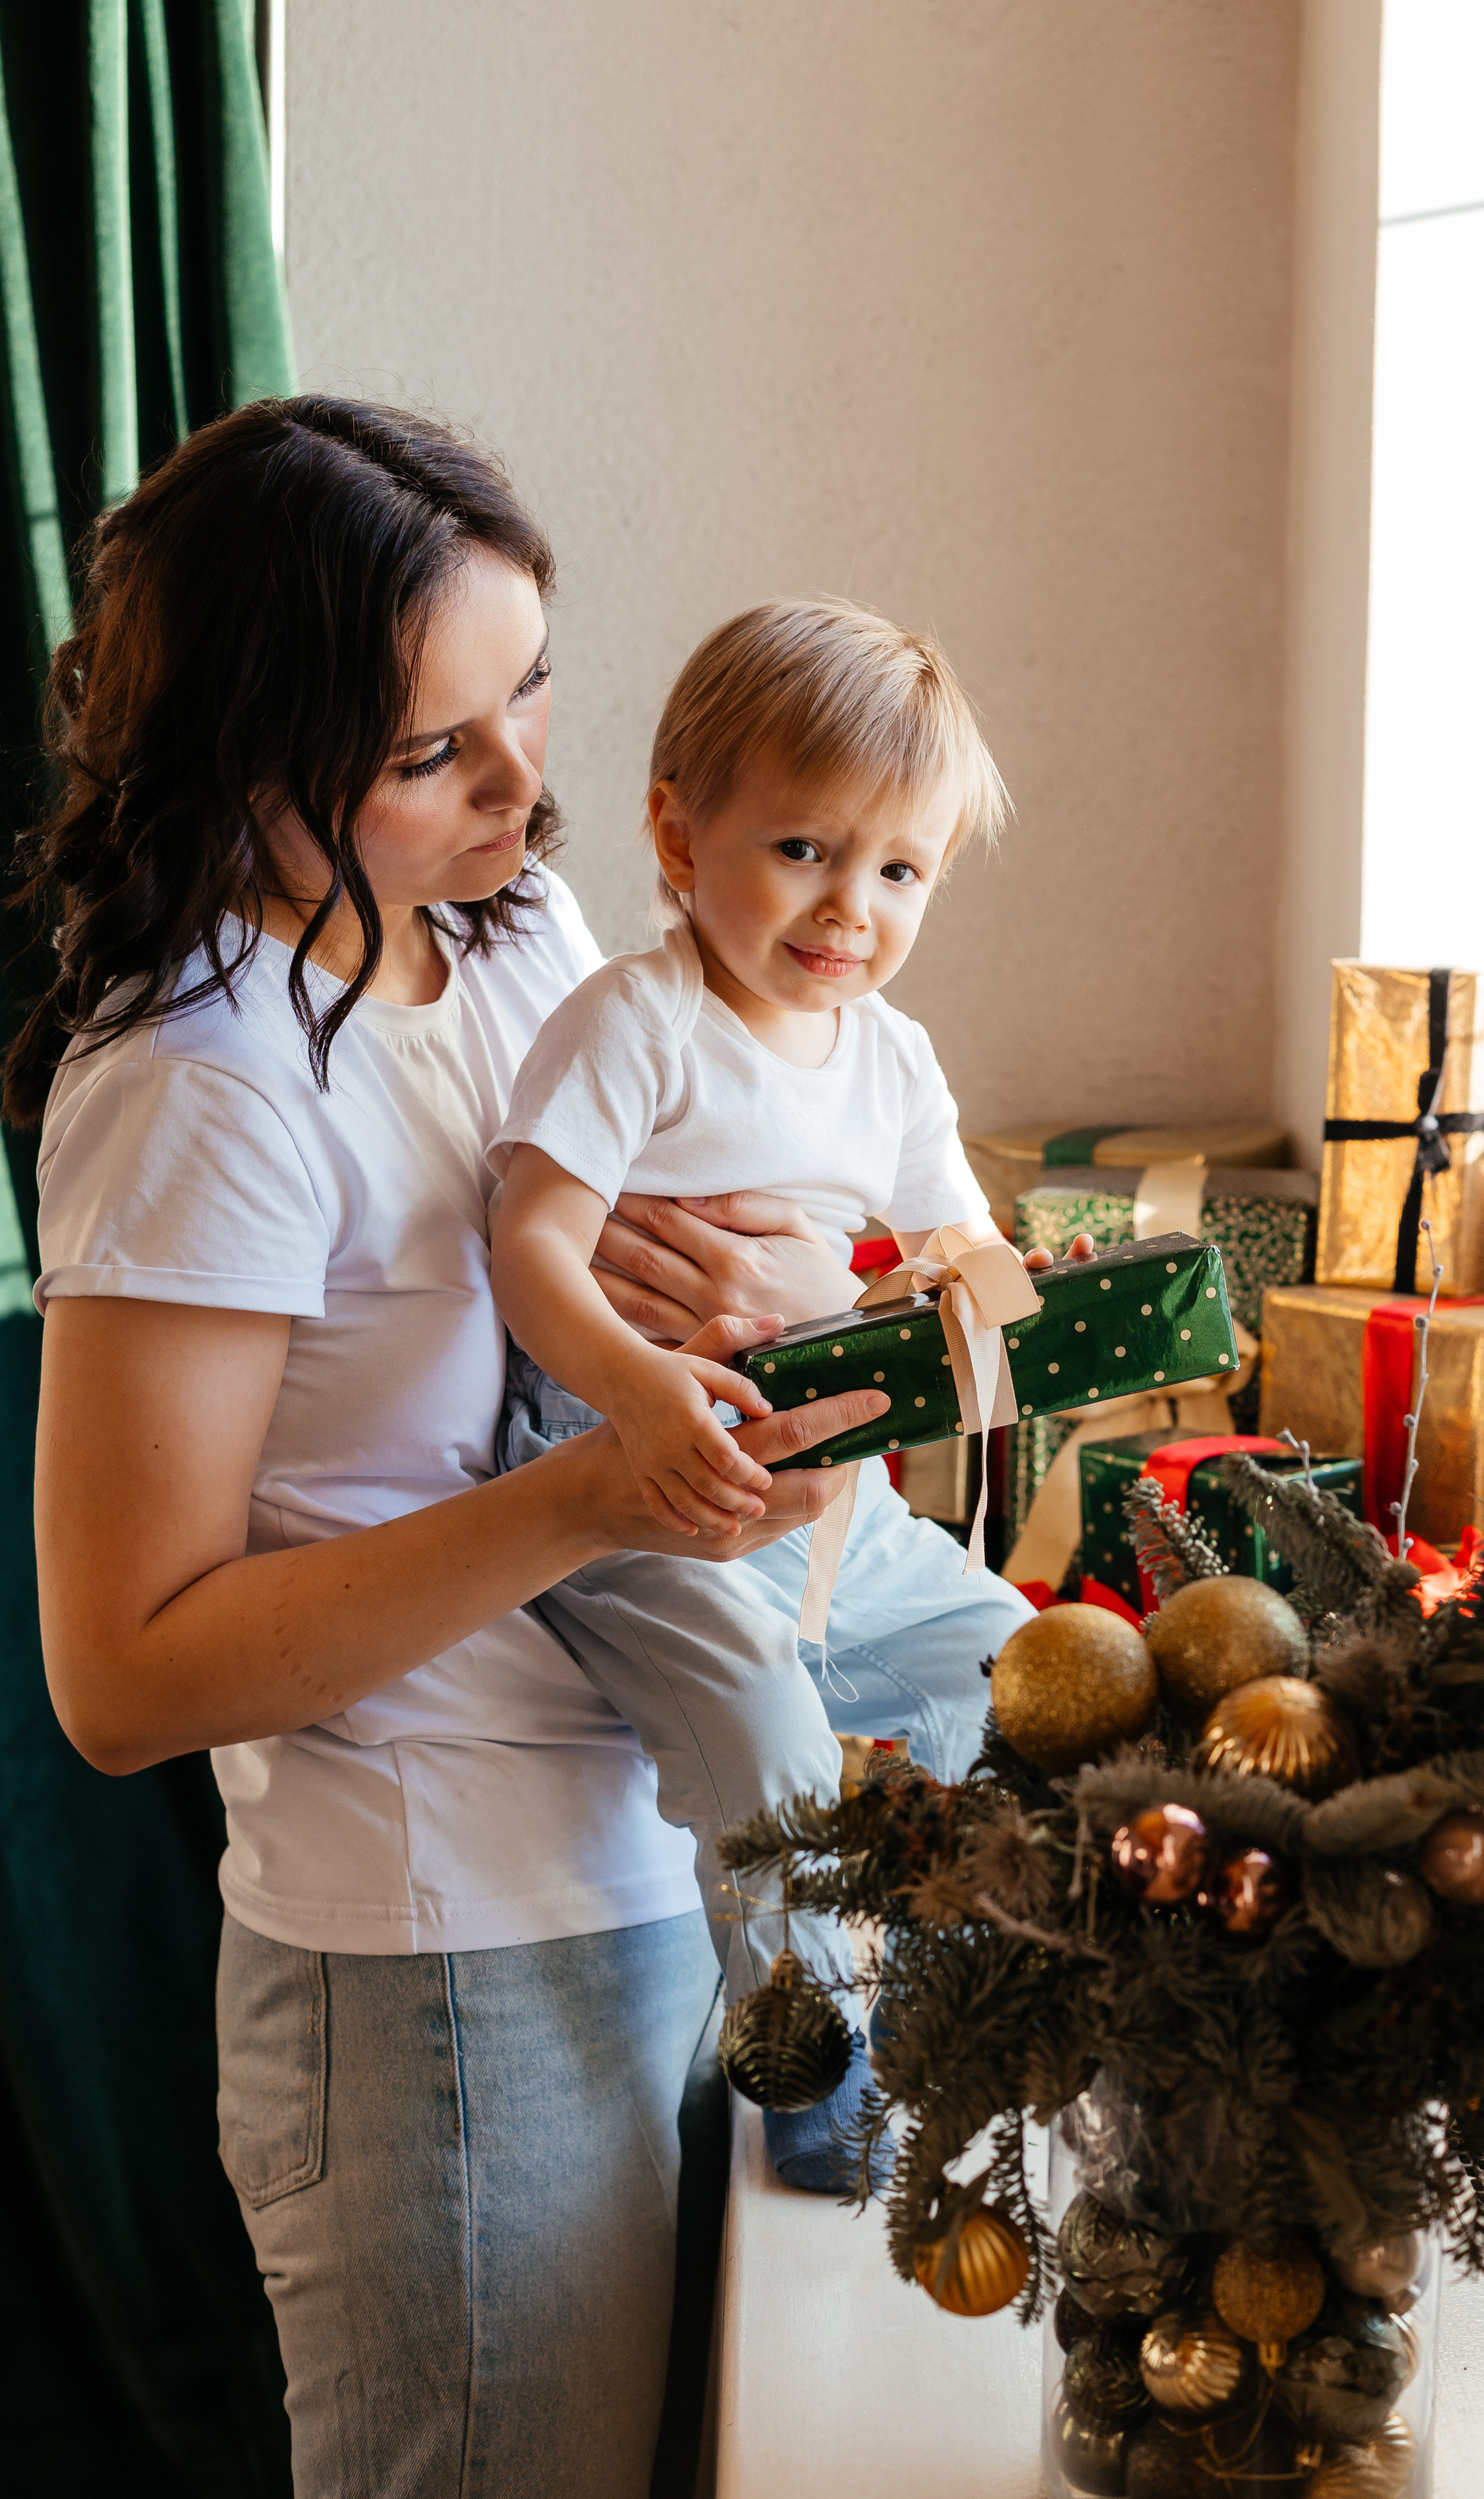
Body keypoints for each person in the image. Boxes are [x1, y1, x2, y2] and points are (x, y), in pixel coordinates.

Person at [8, 396, 893, 2499]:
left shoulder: (518, 940)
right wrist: (592, 1490)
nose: (527, 785)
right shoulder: (196, 1085)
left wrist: (723, 1309)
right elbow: (120, 1676)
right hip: (435, 1984)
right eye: (433, 756)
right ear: (253, 765)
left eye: (530, 692)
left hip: (649, 1881)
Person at [487, 602, 1057, 2185]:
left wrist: (888, 1293)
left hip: (832, 1511)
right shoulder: (633, 1023)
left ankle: (948, 1990)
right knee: (769, 1750)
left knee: (1013, 1669)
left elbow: (976, 1285)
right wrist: (640, 1391)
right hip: (629, 1497)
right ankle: (807, 2061)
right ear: (676, 829)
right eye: (803, 847)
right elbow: (528, 1245)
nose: (847, 909)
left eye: (899, 871)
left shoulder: (889, 1060)